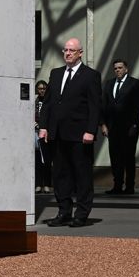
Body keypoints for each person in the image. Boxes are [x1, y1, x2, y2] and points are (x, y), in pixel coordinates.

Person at [38, 38, 101, 227]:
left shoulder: (90, 75)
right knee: (60, 175)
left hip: (80, 135)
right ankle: (64, 212)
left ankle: (81, 214)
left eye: (71, 50)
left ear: (80, 53)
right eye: (65, 50)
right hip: (58, 134)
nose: (67, 53)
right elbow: (48, 103)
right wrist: (44, 126)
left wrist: (91, 130)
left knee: (82, 175)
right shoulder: (56, 74)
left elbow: (95, 105)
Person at [100, 59, 139, 195]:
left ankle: (130, 186)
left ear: (126, 69)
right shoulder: (109, 84)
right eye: (115, 68)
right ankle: (117, 185)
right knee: (115, 157)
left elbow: (138, 106)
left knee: (129, 157)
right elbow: (104, 105)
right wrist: (103, 124)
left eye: (120, 67)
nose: (117, 70)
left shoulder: (135, 83)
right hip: (112, 128)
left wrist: (134, 124)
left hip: (129, 128)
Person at [34, 80, 53, 194]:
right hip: (35, 133)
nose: (42, 90)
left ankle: (46, 184)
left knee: (46, 160)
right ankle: (38, 184)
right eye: (40, 88)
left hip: (47, 134)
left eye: (44, 88)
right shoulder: (34, 101)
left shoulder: (50, 101)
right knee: (37, 160)